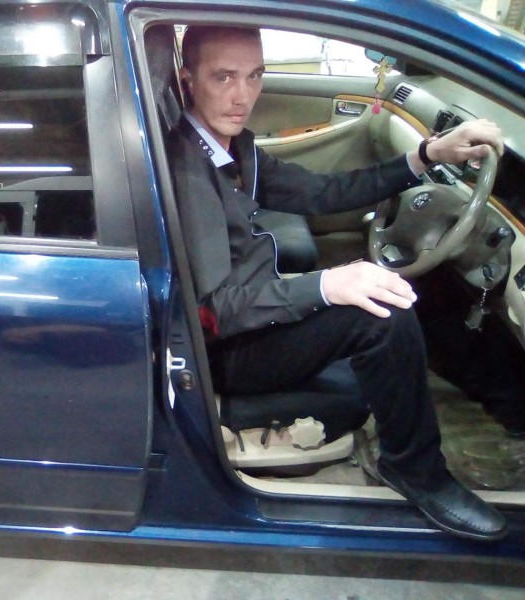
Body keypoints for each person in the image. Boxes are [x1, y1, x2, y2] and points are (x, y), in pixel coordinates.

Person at [168, 25, 508, 541]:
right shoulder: (189, 172)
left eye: (255, 76)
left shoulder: (233, 148)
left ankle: (508, 406)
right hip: (232, 350)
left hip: (257, 310)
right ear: (187, 80)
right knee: (383, 314)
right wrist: (328, 285)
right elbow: (216, 309)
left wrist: (428, 155)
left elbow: (323, 193)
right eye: (224, 77)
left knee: (416, 287)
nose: (243, 96)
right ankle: (415, 469)